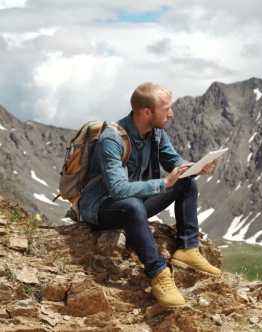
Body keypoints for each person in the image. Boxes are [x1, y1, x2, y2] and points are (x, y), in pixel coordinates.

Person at [78, 82, 220, 307]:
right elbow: (118, 190)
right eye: (166, 110)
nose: (171, 114)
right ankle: (158, 274)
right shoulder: (111, 140)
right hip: (100, 208)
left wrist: (195, 168)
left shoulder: (156, 134)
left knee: (187, 184)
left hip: (132, 202)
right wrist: (163, 183)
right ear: (146, 112)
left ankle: (187, 249)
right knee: (132, 206)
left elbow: (174, 163)